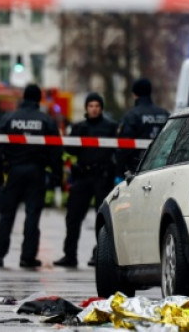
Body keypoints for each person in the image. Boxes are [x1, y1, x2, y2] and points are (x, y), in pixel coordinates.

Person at [0, 84, 63, 268]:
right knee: (32, 216)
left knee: (7, 215)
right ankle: (27, 257)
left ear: (23, 97)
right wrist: (57, 174)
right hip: (36, 172)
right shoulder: (46, 120)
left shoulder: (9, 118)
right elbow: (55, 150)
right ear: (38, 99)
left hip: (13, 171)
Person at [54, 92, 118, 268]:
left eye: (97, 106)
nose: (94, 109)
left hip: (102, 176)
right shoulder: (79, 126)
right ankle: (69, 255)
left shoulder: (111, 127)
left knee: (103, 218)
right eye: (91, 106)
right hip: (83, 175)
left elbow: (119, 150)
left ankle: (100, 254)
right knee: (73, 217)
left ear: (101, 108)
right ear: (86, 108)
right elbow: (70, 150)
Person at [115, 78, 170, 178]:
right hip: (163, 166)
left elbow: (124, 147)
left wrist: (119, 171)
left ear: (134, 94)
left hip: (137, 169)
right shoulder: (164, 114)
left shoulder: (131, 116)